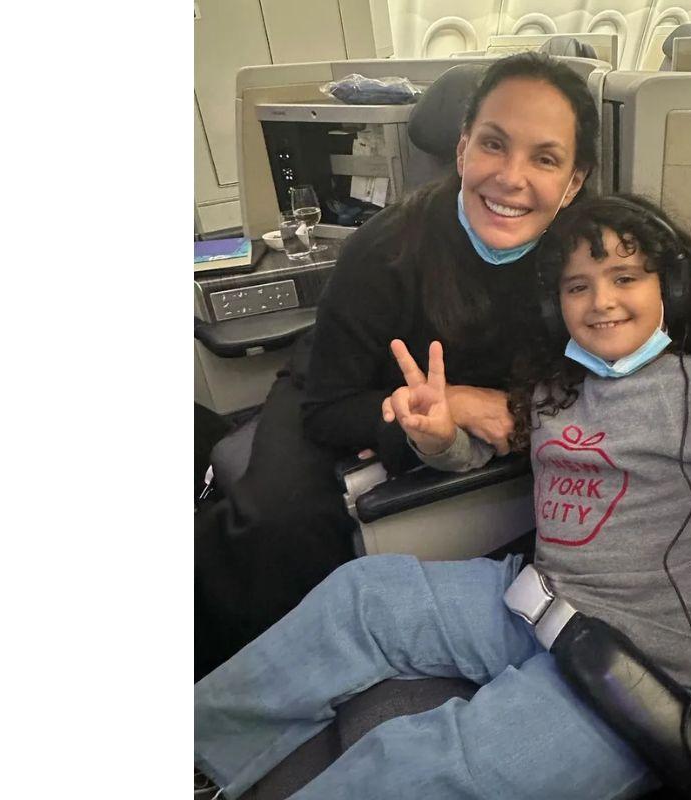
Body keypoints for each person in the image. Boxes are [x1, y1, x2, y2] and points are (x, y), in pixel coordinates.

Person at [195, 194, 691, 799]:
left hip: (638, 671)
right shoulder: (559, 385)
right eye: (577, 286)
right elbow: (480, 453)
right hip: (534, 604)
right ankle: (198, 755)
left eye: (625, 277)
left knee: (417, 762)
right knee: (362, 597)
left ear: (670, 288)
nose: (601, 300)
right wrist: (440, 438)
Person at [194, 53, 598, 680]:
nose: (511, 178)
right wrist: (454, 403)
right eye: (493, 144)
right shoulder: (386, 248)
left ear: (573, 183)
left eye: (545, 159)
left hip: (451, 427)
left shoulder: (586, 262)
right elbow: (326, 406)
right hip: (339, 390)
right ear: (462, 149)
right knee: (278, 524)